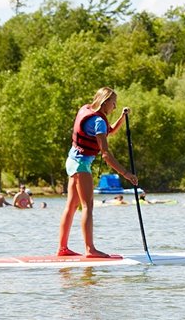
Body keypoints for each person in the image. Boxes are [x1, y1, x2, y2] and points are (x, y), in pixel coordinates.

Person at [58, 87, 137, 258]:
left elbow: (110, 131)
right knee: (87, 206)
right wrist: (126, 174)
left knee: (71, 206)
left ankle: (62, 248)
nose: (114, 107)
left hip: (72, 160)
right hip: (81, 165)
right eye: (113, 103)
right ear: (105, 101)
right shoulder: (98, 122)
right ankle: (90, 249)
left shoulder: (87, 109)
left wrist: (122, 118)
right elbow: (106, 155)